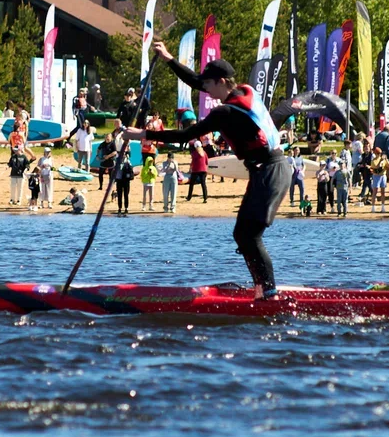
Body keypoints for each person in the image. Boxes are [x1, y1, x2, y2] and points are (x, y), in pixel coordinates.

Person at [124, 44, 293, 298]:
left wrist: (144, 134)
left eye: (209, 86)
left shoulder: (224, 112)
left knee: (249, 235)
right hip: (267, 171)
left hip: (271, 171)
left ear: (222, 82)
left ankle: (268, 293)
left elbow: (186, 135)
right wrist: (169, 59)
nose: (205, 91)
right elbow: (195, 81)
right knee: (242, 234)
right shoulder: (246, 90)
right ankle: (262, 288)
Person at [186, 136, 209, 203]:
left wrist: (190, 168)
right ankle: (205, 198)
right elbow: (207, 162)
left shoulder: (194, 153)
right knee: (203, 184)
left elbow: (193, 162)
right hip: (203, 170)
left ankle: (189, 197)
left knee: (191, 184)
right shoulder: (204, 153)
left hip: (196, 170)